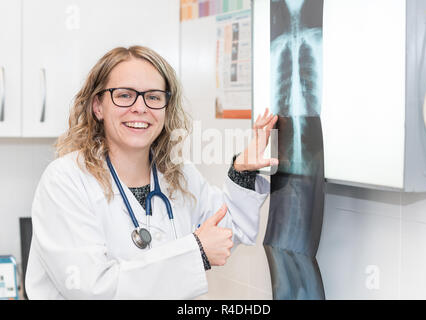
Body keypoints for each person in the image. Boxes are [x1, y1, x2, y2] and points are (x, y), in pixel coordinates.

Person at [25, 46, 278, 299]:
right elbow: (91, 289)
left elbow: (224, 233)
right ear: (97, 106)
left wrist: (242, 171)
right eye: (124, 95)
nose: (140, 107)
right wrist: (195, 252)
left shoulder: (178, 176)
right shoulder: (65, 180)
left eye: (154, 97)